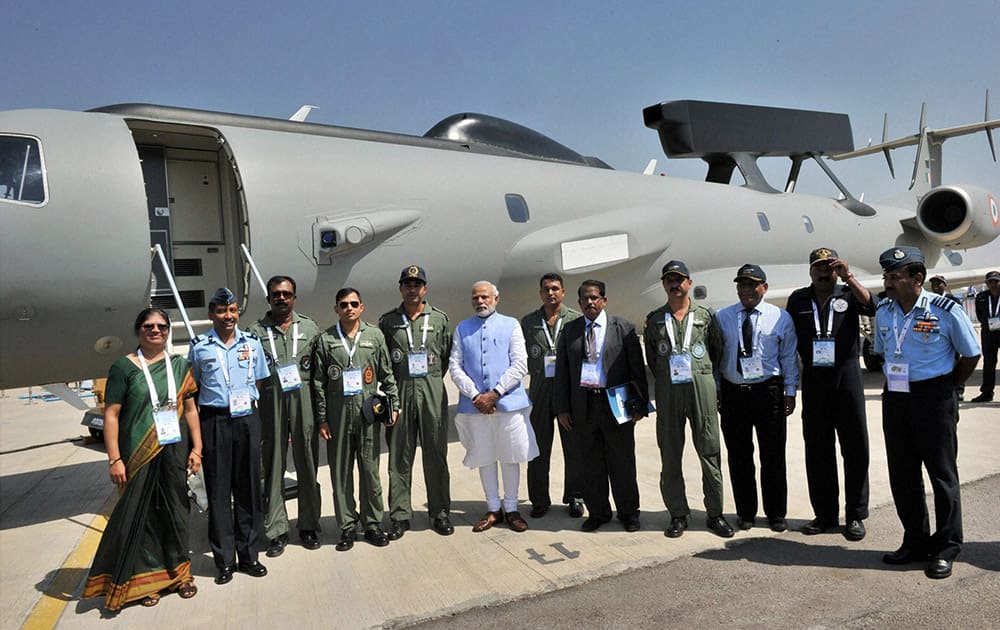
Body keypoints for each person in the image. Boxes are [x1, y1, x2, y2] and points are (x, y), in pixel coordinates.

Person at [83, 308, 202, 609]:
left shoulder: (179, 365)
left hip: (174, 452)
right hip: (138, 453)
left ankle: (179, 575)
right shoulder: (124, 368)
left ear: (167, 331)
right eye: (149, 326)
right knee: (142, 516)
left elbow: (190, 410)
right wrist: (114, 459)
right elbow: (111, 415)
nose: (156, 331)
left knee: (176, 513)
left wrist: (197, 449)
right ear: (138, 331)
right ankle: (144, 583)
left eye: (162, 326)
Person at [874, 246, 980, 579]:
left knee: (942, 475)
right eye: (886, 276)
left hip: (934, 397)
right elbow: (882, 351)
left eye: (895, 276)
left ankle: (947, 546)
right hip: (896, 397)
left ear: (917, 278)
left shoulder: (944, 309)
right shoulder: (883, 311)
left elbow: (971, 354)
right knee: (903, 474)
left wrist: (951, 387)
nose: (889, 282)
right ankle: (915, 541)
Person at [786, 248, 872, 541]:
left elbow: (872, 306)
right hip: (814, 379)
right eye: (819, 267)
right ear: (811, 271)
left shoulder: (849, 295)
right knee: (818, 450)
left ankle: (856, 515)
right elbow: (789, 340)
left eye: (830, 267)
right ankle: (824, 514)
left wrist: (850, 276)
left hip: (847, 377)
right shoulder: (798, 299)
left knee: (855, 448)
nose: (825, 272)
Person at [644, 261, 733, 539]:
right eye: (670, 279)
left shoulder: (705, 316)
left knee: (710, 451)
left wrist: (704, 376)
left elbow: (716, 350)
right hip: (669, 391)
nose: (675, 284)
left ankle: (715, 514)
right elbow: (652, 357)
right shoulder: (655, 319)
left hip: (701, 387)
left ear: (689, 283)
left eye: (680, 279)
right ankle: (678, 514)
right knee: (670, 454)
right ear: (664, 284)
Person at [188, 287, 271, 584]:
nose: (228, 316)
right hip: (215, 419)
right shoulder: (200, 346)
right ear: (211, 314)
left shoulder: (252, 343)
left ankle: (249, 556)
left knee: (248, 486)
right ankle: (224, 560)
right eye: (222, 311)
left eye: (233, 310)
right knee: (219, 490)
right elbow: (194, 387)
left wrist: (244, 405)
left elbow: (259, 381)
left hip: (246, 417)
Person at [553, 280, 648, 533]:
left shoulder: (623, 328)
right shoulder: (570, 330)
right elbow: (562, 372)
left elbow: (637, 370)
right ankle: (598, 513)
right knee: (590, 463)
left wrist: (640, 404)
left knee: (622, 462)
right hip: (583, 406)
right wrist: (562, 408)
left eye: (595, 298)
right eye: (585, 299)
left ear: (604, 300)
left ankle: (629, 513)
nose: (590, 302)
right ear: (579, 303)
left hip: (616, 405)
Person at [311, 288, 399, 551]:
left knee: (370, 473)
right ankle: (347, 526)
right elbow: (318, 383)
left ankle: (372, 524)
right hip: (338, 417)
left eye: (354, 303)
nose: (349, 308)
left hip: (368, 416)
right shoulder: (326, 340)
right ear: (336, 309)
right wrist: (323, 420)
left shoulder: (374, 336)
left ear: (362, 307)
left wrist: (392, 407)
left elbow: (387, 374)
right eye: (343, 304)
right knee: (341, 474)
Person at [448, 281, 537, 533]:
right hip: (476, 406)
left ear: (496, 298)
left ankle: (511, 508)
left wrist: (495, 393)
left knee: (510, 456)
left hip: (507, 404)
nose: (480, 302)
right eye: (475, 298)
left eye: (484, 297)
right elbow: (455, 366)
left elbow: (520, 364)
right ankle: (493, 508)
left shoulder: (511, 325)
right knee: (484, 456)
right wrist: (476, 395)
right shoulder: (463, 328)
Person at [716, 264, 799, 532]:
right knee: (739, 456)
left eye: (753, 284)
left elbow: (788, 357)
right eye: (742, 285)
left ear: (764, 287)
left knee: (773, 455)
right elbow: (717, 358)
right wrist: (718, 390)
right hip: (734, 393)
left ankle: (776, 513)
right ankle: (746, 512)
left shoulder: (780, 317)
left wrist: (790, 391)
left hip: (768, 392)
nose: (747, 290)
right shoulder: (723, 317)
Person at [246, 275, 323, 557]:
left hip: (303, 402)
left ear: (294, 298)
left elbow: (319, 373)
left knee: (307, 461)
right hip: (270, 402)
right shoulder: (254, 332)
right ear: (268, 299)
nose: (281, 298)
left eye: (286, 294)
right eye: (276, 294)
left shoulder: (310, 327)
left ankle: (309, 525)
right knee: (273, 465)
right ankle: (276, 530)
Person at [378, 265, 454, 539]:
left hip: (432, 389)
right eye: (407, 284)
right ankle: (399, 515)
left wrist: (430, 380)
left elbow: (445, 356)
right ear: (400, 288)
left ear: (425, 288)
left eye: (417, 284)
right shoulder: (388, 322)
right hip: (400, 390)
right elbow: (383, 360)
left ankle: (440, 512)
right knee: (399, 456)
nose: (412, 288)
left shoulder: (440, 319)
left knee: (436, 453)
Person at [520, 272, 584, 519]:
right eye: (546, 289)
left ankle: (576, 497)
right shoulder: (528, 323)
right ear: (540, 293)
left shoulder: (576, 320)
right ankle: (539, 499)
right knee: (537, 447)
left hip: (568, 391)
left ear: (563, 292)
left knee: (574, 446)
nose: (551, 293)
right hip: (539, 391)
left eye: (555, 288)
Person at [928, 275, 966, 402]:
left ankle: (959, 389)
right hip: (936, 335)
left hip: (952, 334)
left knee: (955, 361)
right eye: (933, 284)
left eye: (939, 284)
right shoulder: (929, 300)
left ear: (945, 285)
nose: (936, 286)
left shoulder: (953, 300)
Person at [971, 270, 1000, 403]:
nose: (993, 284)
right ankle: (987, 393)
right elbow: (979, 315)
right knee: (988, 363)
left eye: (996, 281)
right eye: (990, 282)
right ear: (986, 283)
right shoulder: (981, 297)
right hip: (988, 333)